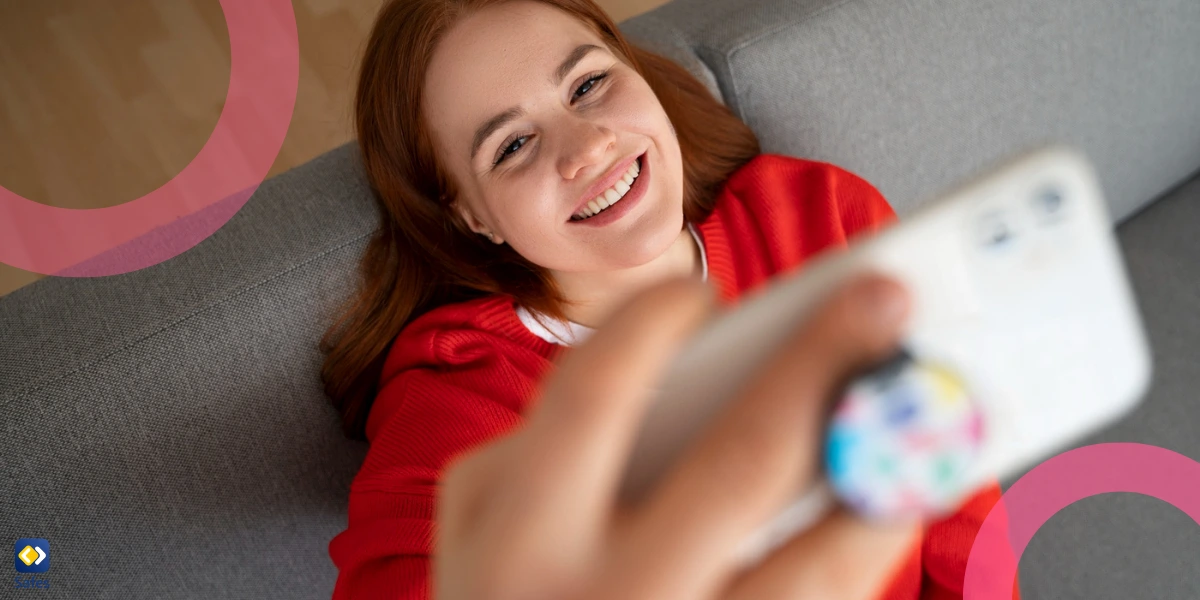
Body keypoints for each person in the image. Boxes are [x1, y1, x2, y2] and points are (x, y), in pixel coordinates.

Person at [320, 0, 1014, 598]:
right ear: (469, 215)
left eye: (588, 84)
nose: (587, 147)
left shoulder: (823, 216)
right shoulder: (457, 403)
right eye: (513, 146)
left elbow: (960, 490)